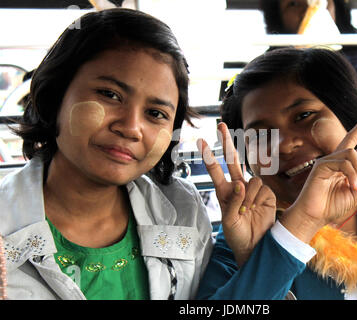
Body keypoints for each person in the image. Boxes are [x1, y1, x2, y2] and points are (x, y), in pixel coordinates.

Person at [196, 47, 357, 300]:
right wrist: (281, 243)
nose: (284, 145)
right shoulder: (243, 235)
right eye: (262, 136)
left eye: (304, 116)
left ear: (349, 115)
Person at [0, 8, 218, 300]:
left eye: (155, 113)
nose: (131, 128)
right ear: (55, 94)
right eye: (110, 95)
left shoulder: (183, 209)